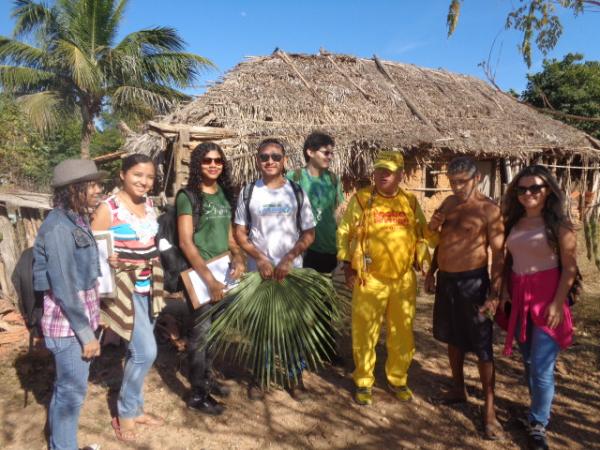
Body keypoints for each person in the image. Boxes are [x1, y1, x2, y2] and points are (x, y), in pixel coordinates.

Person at [337, 150, 438, 406]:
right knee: (365, 332)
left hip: (403, 279)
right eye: (380, 169)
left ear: (401, 174)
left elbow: (423, 234)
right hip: (369, 279)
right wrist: (348, 266)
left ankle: (397, 378)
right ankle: (363, 381)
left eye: (389, 171)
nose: (383, 175)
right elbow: (345, 232)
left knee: (402, 331)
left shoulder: (410, 202)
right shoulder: (361, 200)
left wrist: (426, 251)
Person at [424, 156, 505, 440]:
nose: (457, 187)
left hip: (474, 282)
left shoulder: (488, 209)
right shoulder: (448, 204)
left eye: (462, 182)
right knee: (452, 338)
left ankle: (490, 410)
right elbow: (441, 240)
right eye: (453, 182)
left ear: (476, 179)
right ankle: (458, 388)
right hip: (446, 281)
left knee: (483, 348)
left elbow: (498, 255)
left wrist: (495, 292)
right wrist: (431, 272)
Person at [233, 138, 316, 400]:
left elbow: (309, 232)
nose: (270, 161)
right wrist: (260, 258)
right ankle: (261, 376)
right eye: (265, 157)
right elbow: (240, 233)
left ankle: (295, 377)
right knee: (260, 326)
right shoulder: (248, 192)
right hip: (260, 272)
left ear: (285, 161)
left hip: (291, 271)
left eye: (275, 157)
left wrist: (289, 257)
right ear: (257, 160)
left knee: (293, 325)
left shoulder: (296, 191)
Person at [501, 165, 576, 450]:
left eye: (535, 188)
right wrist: (507, 288)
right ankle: (540, 409)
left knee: (542, 368)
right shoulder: (515, 222)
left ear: (549, 191)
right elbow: (510, 258)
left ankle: (538, 423)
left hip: (548, 299)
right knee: (530, 362)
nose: (528, 193)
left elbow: (569, 269)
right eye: (522, 189)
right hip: (521, 298)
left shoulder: (559, 225)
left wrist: (558, 304)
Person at [32, 159, 105, 450]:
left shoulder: (74, 218)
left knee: (69, 391)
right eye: (93, 184)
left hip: (74, 320)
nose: (99, 189)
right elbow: (63, 287)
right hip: (68, 325)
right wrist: (86, 334)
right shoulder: (59, 228)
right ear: (75, 189)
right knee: (71, 393)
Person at [92, 154, 165, 442]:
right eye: (137, 175)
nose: (144, 182)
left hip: (150, 286)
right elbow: (91, 251)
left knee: (137, 351)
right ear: (123, 174)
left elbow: (149, 242)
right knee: (146, 352)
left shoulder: (148, 205)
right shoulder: (108, 208)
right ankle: (124, 412)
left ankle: (135, 408)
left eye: (149, 177)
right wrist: (106, 258)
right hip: (125, 289)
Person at [176, 142, 245, 415]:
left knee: (215, 333)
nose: (213, 165)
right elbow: (185, 243)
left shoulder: (225, 195)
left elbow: (230, 237)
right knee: (200, 336)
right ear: (197, 164)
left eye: (218, 160)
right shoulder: (188, 196)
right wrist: (209, 281)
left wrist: (238, 257)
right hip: (200, 276)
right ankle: (197, 394)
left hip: (222, 273)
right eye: (207, 161)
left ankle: (207, 378)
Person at [286, 131, 344, 363]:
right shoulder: (295, 177)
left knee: (324, 300)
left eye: (331, 152)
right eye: (325, 152)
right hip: (303, 249)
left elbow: (337, 211)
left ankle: (324, 347)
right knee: (300, 301)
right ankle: (297, 350)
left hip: (327, 247)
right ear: (310, 152)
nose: (329, 156)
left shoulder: (333, 179)